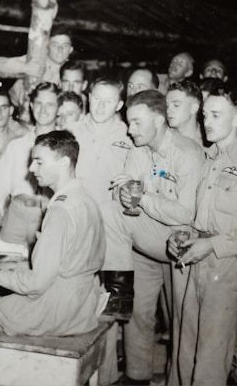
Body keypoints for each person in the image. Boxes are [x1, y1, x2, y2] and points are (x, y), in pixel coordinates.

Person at [0, 130, 106, 386]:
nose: (31, 168)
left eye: (39, 161)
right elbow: (70, 260)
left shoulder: (60, 210)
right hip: (82, 305)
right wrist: (7, 266)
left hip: (54, 310)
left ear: (64, 162)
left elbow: (36, 283)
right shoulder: (84, 199)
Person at [102, 90, 204, 385]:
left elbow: (185, 214)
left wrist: (142, 195)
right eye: (129, 123)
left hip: (181, 241)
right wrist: (126, 196)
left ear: (159, 120)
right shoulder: (137, 149)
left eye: (136, 123)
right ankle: (137, 375)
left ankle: (178, 379)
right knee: (139, 311)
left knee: (180, 322)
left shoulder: (188, 153)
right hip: (149, 237)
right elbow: (130, 208)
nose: (130, 130)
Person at [168, 86, 237, 386]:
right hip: (199, 261)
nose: (206, 121)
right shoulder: (211, 158)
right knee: (187, 348)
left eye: (216, 115)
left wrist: (212, 243)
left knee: (210, 358)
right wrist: (184, 234)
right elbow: (204, 216)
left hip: (227, 266)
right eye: (205, 114)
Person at [70, 77, 133, 320]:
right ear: (88, 97)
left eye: (108, 101)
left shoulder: (128, 134)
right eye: (96, 99)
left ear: (119, 105)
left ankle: (120, 294)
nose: (100, 106)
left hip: (111, 217)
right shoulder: (73, 130)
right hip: (78, 213)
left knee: (106, 307)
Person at [0, 82, 59, 247]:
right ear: (31, 106)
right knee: (6, 259)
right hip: (17, 216)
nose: (43, 110)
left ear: (58, 108)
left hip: (49, 216)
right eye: (39, 103)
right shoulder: (17, 145)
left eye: (50, 104)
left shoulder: (65, 146)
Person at [0, 23, 73, 107]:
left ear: (71, 49)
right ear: (47, 47)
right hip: (15, 109)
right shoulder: (37, 60)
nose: (60, 50)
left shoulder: (72, 70)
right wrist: (25, 67)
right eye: (55, 45)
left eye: (65, 46)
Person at [166, 80, 204, 145]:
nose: (167, 111)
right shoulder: (162, 139)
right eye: (167, 106)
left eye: (176, 105)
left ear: (193, 108)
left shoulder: (208, 141)